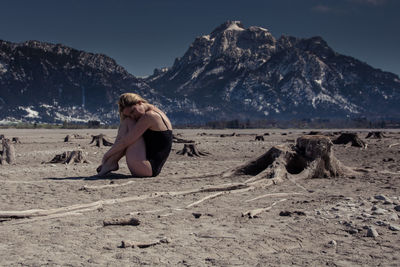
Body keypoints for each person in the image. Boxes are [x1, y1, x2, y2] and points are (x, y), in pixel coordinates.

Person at [97, 93, 173, 177]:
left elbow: (125, 142)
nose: (133, 116)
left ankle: (111, 163)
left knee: (128, 122)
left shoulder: (150, 116)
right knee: (128, 122)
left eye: (133, 111)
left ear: (139, 102)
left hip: (145, 168)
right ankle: (111, 162)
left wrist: (105, 156)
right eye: (129, 114)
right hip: (148, 167)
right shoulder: (156, 111)